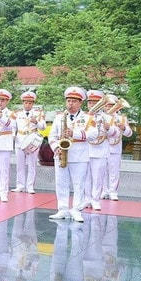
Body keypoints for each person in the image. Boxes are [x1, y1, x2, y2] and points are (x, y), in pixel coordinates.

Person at [48, 87, 91, 222]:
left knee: (79, 184)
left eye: (73, 101)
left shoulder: (88, 118)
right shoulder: (59, 117)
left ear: (80, 103)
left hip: (79, 155)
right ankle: (62, 209)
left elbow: (94, 134)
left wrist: (74, 133)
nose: (70, 104)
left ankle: (76, 209)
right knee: (61, 183)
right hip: (61, 154)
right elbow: (52, 136)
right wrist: (56, 147)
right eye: (68, 101)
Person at [12, 91, 44, 194]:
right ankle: (20, 185)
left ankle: (30, 186)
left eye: (30, 103)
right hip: (20, 139)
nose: (27, 105)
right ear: (23, 103)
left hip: (32, 140)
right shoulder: (17, 113)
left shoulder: (38, 113)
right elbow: (13, 126)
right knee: (20, 165)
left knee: (32, 164)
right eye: (26, 102)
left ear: (33, 103)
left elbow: (43, 127)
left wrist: (36, 122)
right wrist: (13, 136)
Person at [105, 102, 132, 200]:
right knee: (101, 171)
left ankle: (113, 192)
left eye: (111, 105)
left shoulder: (122, 118)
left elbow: (129, 133)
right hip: (102, 147)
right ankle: (104, 191)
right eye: (107, 105)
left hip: (115, 148)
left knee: (114, 172)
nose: (109, 107)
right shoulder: (101, 117)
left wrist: (124, 128)